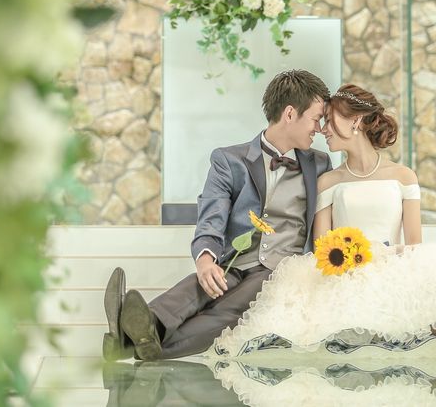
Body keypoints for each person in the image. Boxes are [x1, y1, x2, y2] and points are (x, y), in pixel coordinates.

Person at [213, 84, 436, 361]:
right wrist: (355, 260)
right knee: (425, 315)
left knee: (420, 298)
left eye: (330, 120)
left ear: (355, 121)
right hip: (347, 274)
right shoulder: (329, 181)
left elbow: (415, 245)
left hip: (397, 266)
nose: (323, 129)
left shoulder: (403, 176)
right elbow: (322, 247)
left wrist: (386, 256)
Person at [102, 69, 332, 361]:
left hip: (281, 269)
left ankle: (128, 340)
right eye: (316, 118)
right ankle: (140, 331)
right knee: (200, 286)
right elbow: (213, 213)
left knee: (231, 307)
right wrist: (205, 260)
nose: (319, 128)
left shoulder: (319, 165)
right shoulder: (229, 160)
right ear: (289, 114)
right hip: (235, 260)